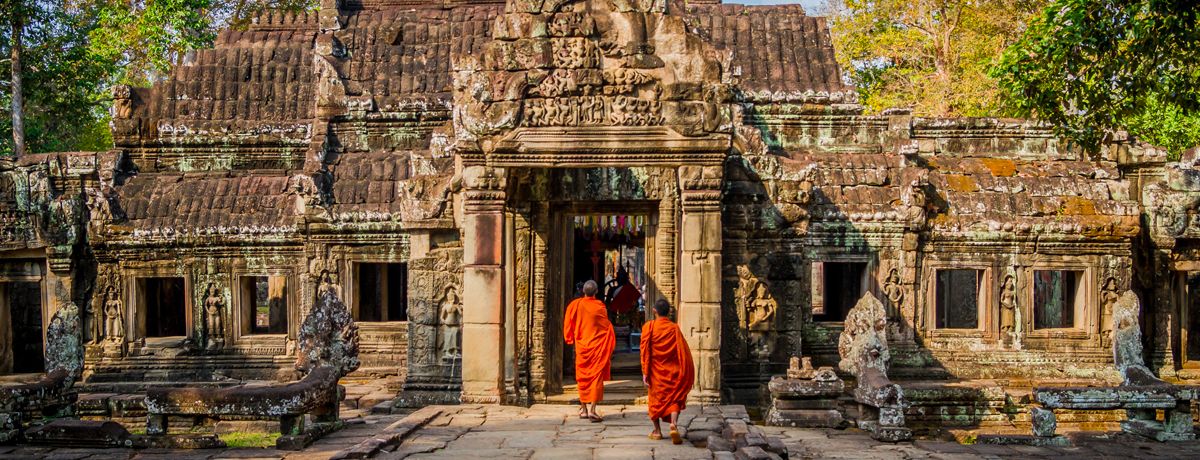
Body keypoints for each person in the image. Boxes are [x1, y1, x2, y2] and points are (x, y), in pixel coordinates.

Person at [640, 299, 694, 444]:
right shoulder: (674, 328)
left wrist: (645, 372)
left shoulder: (649, 327)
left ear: (654, 311)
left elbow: (645, 351)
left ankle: (657, 431)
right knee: (674, 398)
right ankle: (673, 424)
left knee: (655, 400)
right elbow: (683, 351)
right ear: (669, 312)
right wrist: (685, 369)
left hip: (655, 371)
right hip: (673, 370)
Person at [564, 280, 616, 422]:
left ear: (583, 291)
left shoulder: (574, 305)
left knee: (582, 378)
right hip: (597, 348)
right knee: (596, 378)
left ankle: (584, 410)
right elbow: (606, 327)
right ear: (597, 292)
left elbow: (568, 324)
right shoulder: (600, 307)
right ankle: (592, 409)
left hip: (582, 347)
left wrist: (569, 338)